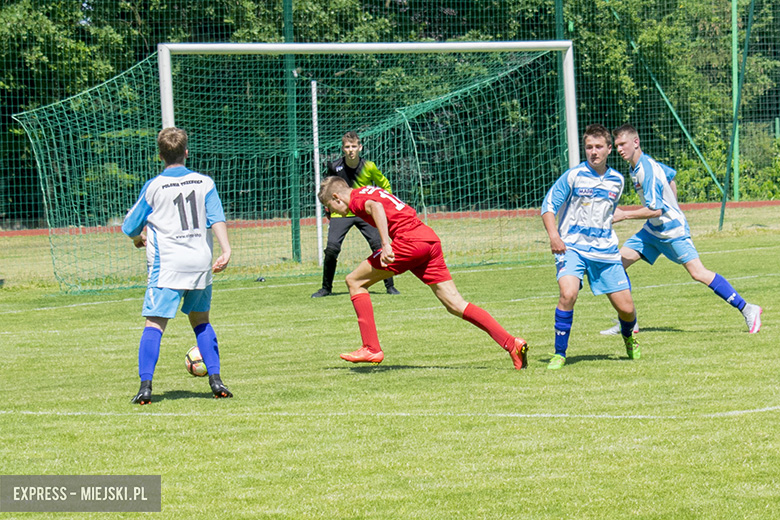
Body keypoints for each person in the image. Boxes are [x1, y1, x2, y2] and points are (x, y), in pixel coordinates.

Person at [317, 176, 528, 369]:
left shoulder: (355, 199)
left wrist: (385, 244)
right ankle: (512, 344)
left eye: (330, 207)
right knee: (455, 304)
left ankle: (371, 348)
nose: (335, 212)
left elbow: (377, 208)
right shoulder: (367, 190)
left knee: (354, 281)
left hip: (409, 241)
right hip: (428, 239)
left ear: (336, 197)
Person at [606, 123, 762, 333]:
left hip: (672, 231)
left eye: (622, 144)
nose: (619, 149)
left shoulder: (647, 170)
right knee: (616, 264)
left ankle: (747, 308)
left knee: (698, 273)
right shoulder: (639, 165)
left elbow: (656, 210)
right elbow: (670, 176)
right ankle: (628, 322)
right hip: (653, 231)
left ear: (636, 142)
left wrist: (624, 214)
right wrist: (675, 205)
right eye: (616, 145)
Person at [123, 127, 233, 404]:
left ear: (160, 155)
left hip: (168, 265)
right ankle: (217, 381)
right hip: (199, 263)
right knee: (201, 322)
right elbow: (216, 216)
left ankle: (145, 387)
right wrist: (226, 248)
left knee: (155, 324)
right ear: (186, 151)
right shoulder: (204, 182)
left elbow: (129, 226)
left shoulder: (154, 186)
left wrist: (140, 237)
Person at [541, 124, 639, 370]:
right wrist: (554, 236)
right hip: (571, 248)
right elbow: (548, 206)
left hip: (605, 252)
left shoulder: (617, 180)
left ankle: (628, 336)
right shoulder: (573, 176)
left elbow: (607, 211)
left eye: (598, 147)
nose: (593, 152)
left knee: (627, 309)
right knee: (568, 293)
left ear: (608, 149)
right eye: (588, 147)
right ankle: (559, 354)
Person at [312, 131, 399, 297]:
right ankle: (326, 288)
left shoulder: (369, 167)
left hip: (364, 212)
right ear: (343, 149)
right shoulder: (334, 166)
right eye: (347, 147)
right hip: (342, 213)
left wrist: (385, 205)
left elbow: (385, 185)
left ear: (360, 147)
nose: (350, 150)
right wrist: (328, 209)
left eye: (353, 146)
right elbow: (327, 189)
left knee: (379, 245)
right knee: (332, 248)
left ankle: (390, 286)